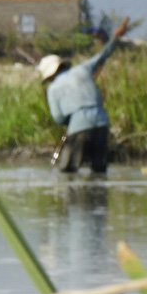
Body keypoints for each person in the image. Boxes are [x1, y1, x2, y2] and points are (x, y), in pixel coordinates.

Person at [39, 16, 133, 175]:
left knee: (68, 169)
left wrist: (71, 119)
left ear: (49, 76)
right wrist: (115, 38)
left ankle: (75, 200)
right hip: (102, 122)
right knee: (99, 169)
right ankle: (98, 199)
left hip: (79, 127)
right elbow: (103, 55)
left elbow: (59, 118)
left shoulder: (53, 89)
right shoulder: (82, 70)